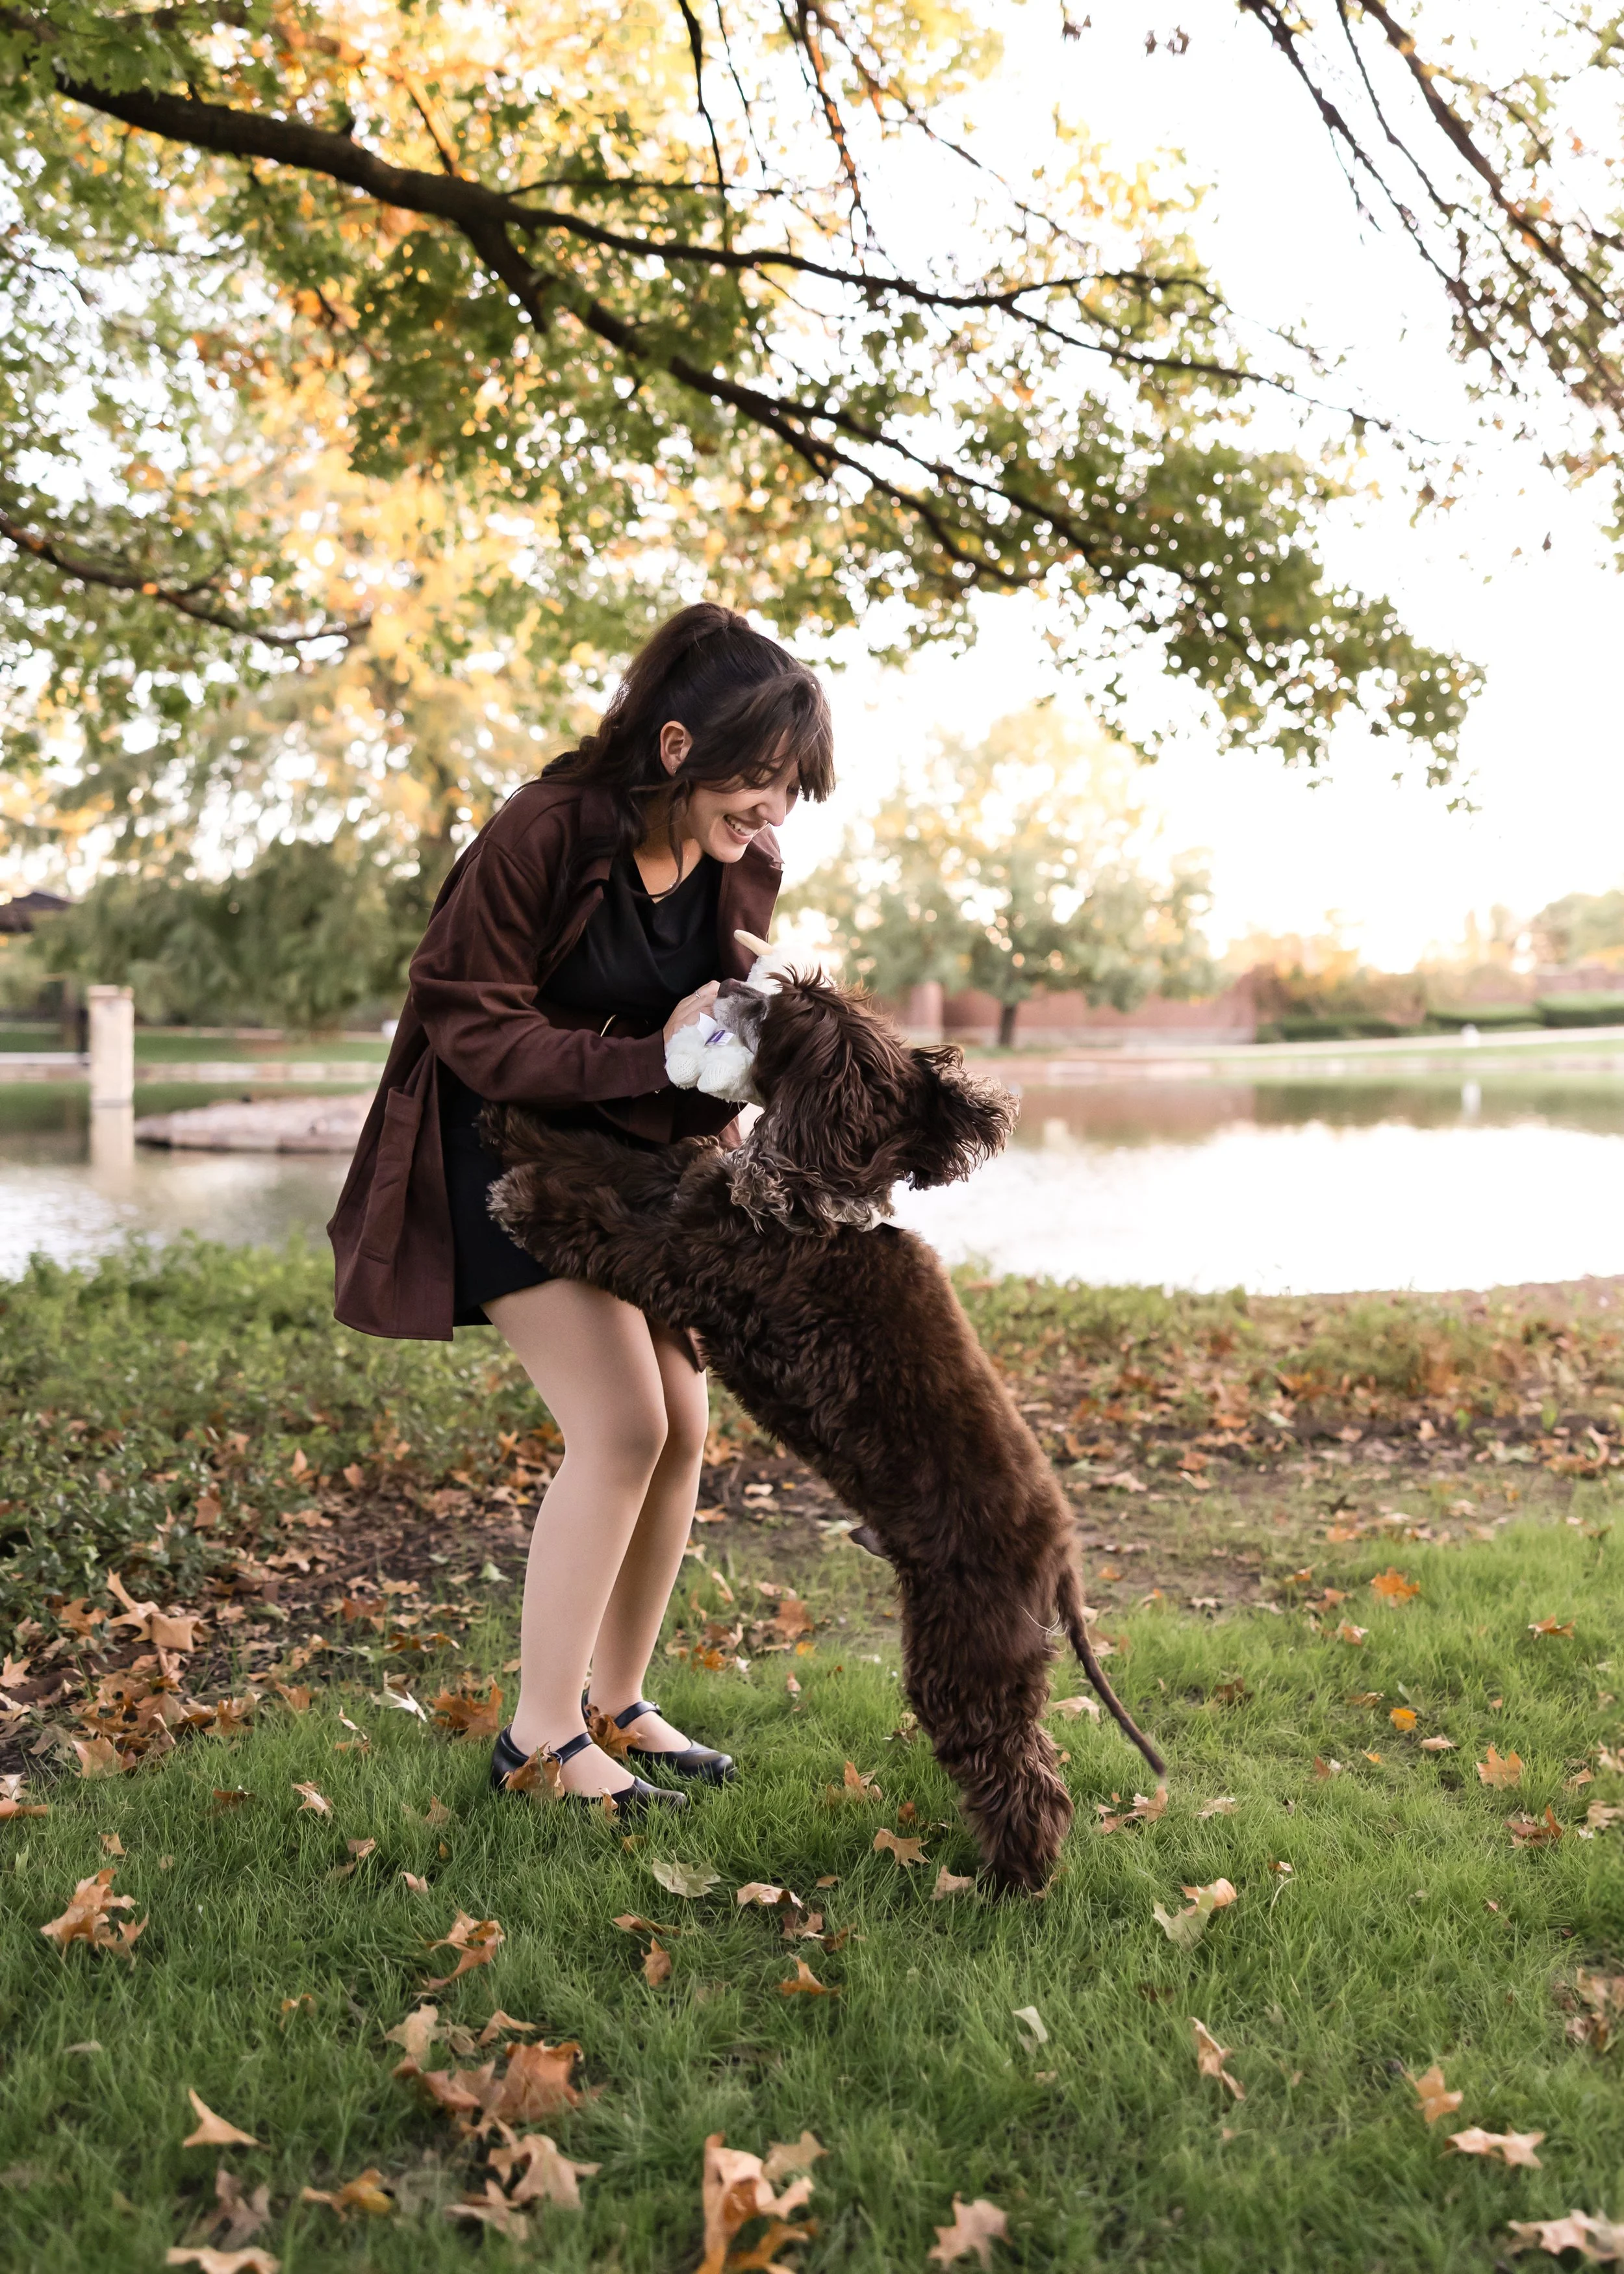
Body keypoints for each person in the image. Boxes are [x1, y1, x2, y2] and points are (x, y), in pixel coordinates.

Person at [327, 604, 835, 1812]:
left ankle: (616, 1702)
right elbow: (469, 1020)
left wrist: (745, 1063)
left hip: (626, 1170)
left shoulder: (741, 863)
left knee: (682, 1426)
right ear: (674, 749)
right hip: (495, 1149)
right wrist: (645, 1063)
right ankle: (541, 1740)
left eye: (787, 795)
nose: (770, 820)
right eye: (756, 787)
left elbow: (700, 1039)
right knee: (619, 1426)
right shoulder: (543, 831)